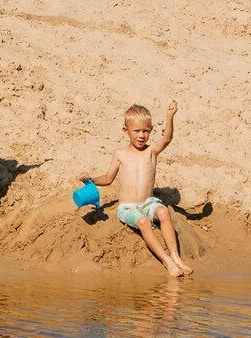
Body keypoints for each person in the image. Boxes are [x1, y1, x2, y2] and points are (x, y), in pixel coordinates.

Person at [79, 102, 192, 277]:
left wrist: (170, 117)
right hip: (128, 208)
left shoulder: (152, 152)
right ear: (126, 131)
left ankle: (176, 257)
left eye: (145, 131)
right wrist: (91, 179)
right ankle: (167, 261)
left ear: (151, 130)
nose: (141, 136)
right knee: (143, 222)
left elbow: (167, 138)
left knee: (163, 212)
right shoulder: (120, 154)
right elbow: (108, 179)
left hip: (148, 203)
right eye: (137, 131)